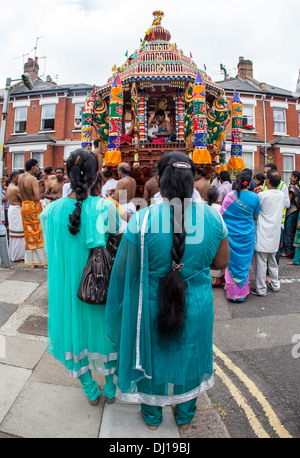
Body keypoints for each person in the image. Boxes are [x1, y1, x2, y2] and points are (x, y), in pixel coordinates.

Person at [105, 151, 229, 430]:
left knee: (153, 353)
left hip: (151, 302)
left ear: (160, 181)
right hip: (196, 303)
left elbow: (125, 269)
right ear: (193, 180)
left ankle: (152, 415)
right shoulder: (214, 218)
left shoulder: (142, 220)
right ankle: (185, 414)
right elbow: (221, 263)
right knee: (192, 352)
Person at [39, 149, 123, 406]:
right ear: (97, 174)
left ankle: (89, 387)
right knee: (106, 334)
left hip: (68, 290)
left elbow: (51, 251)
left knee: (74, 336)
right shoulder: (106, 207)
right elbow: (120, 239)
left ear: (68, 174)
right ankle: (109, 387)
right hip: (99, 289)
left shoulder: (50, 212)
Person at [220, 170, 260, 302]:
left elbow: (221, 214)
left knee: (232, 261)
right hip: (247, 235)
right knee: (243, 263)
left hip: (231, 235)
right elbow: (255, 216)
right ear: (249, 183)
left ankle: (232, 292)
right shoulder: (255, 197)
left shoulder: (229, 196)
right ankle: (242, 292)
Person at [251, 170, 285, 296]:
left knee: (260, 264)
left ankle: (261, 289)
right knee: (272, 261)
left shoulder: (262, 196)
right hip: (275, 232)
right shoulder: (281, 195)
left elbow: (255, 213)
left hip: (262, 232)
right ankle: (275, 284)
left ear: (268, 181)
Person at [18, 159, 47, 269]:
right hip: (33, 206)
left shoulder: (20, 177)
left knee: (29, 234)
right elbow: (37, 197)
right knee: (39, 233)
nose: (38, 169)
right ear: (32, 167)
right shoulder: (32, 179)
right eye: (37, 167)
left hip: (24, 205)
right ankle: (43, 261)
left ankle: (32, 262)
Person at [262, 163, 290, 264]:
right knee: (264, 248)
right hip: (265, 221)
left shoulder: (282, 186)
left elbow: (287, 203)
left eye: (267, 172)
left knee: (275, 249)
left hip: (278, 222)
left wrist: (274, 201)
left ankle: (272, 270)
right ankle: (266, 271)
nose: (265, 175)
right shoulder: (265, 185)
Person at [6, 171, 25, 262]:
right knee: (19, 233)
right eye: (18, 177)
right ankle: (18, 256)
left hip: (12, 209)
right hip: (16, 210)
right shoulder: (15, 189)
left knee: (15, 233)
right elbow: (23, 199)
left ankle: (14, 254)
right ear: (14, 178)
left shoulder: (9, 187)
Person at [207, 188, 224, 286]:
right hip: (218, 235)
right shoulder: (220, 208)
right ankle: (218, 279)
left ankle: (210, 278)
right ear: (217, 197)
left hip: (208, 236)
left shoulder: (205, 208)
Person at [280, 171, 300, 258]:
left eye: (292, 176)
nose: (290, 177)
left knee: (289, 231)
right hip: (295, 211)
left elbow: (288, 199)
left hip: (291, 211)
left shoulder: (293, 188)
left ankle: (289, 250)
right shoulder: (296, 187)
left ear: (296, 178)